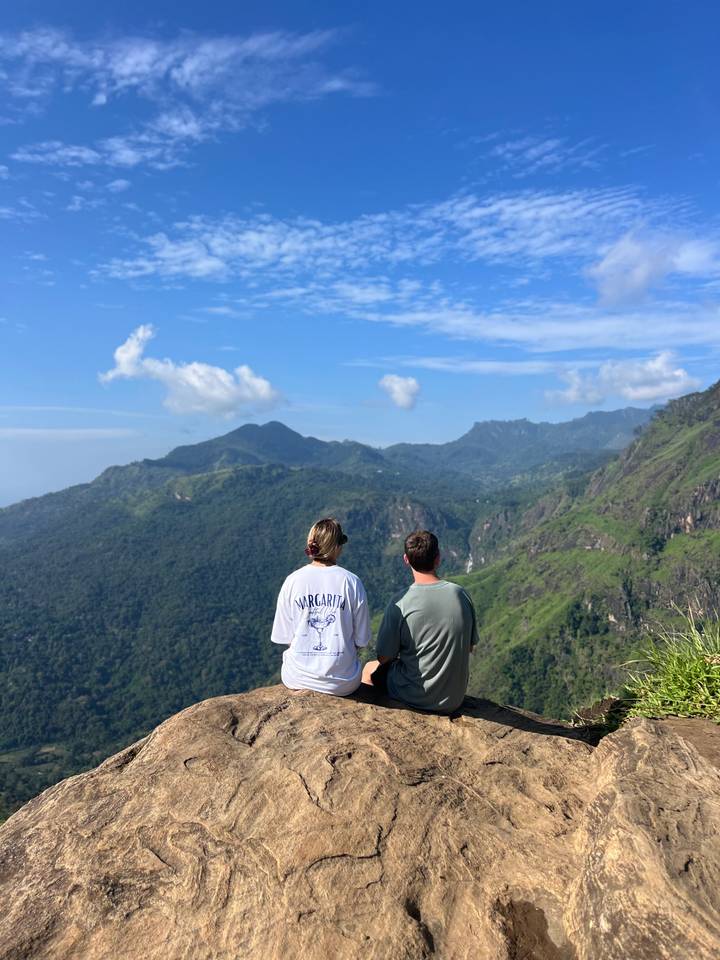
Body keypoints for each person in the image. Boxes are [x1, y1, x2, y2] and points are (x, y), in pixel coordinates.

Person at [362, 529, 477, 713]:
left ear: (406, 560)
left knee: (369, 669)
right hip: (454, 699)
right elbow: (469, 647)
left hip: (415, 696)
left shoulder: (400, 602)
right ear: (438, 558)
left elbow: (384, 658)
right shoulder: (461, 594)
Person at [271, 517, 371, 696]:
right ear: (337, 547)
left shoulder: (292, 581)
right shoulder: (351, 582)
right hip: (343, 682)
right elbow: (362, 640)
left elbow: (285, 636)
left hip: (298, 678)